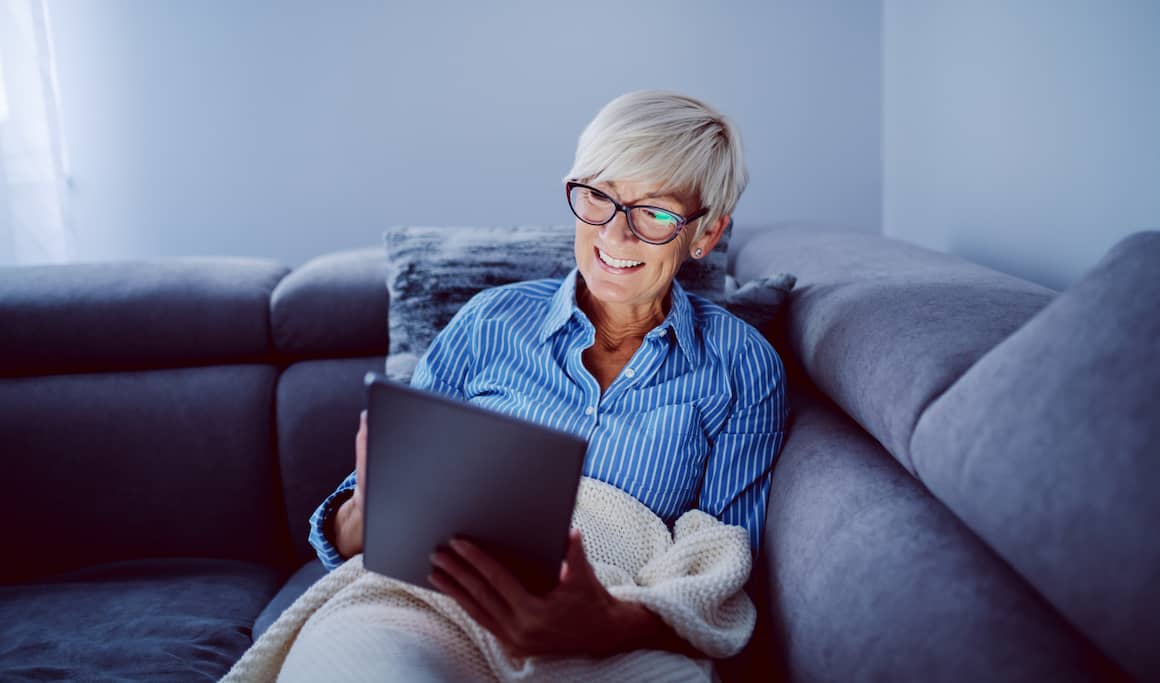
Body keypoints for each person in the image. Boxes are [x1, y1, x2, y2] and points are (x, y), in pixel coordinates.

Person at [307, 89, 787, 661]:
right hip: (429, 604)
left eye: (656, 213)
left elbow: (724, 571)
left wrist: (610, 625)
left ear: (705, 234)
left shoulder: (743, 367)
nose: (615, 234)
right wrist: (368, 512)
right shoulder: (489, 322)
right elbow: (352, 537)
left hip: (612, 624)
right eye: (599, 198)